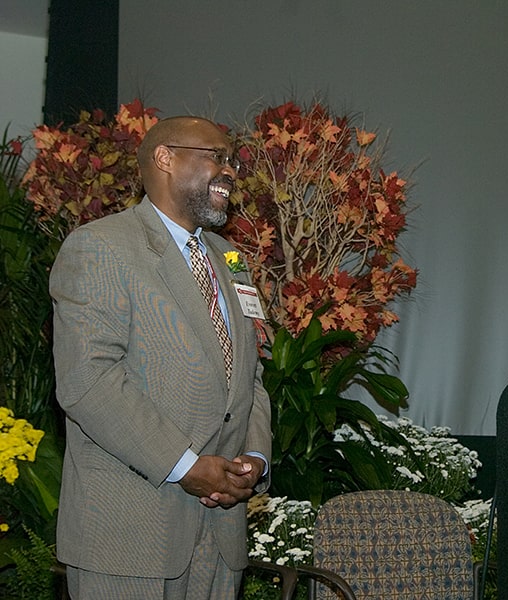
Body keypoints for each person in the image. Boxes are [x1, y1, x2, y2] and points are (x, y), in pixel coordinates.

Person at [50, 116, 272, 599]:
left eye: (233, 160)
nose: (231, 171)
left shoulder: (233, 258)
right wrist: (186, 465)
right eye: (217, 156)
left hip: (220, 534)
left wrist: (252, 458)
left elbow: (249, 376)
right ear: (165, 158)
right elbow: (88, 381)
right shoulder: (100, 246)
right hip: (130, 537)